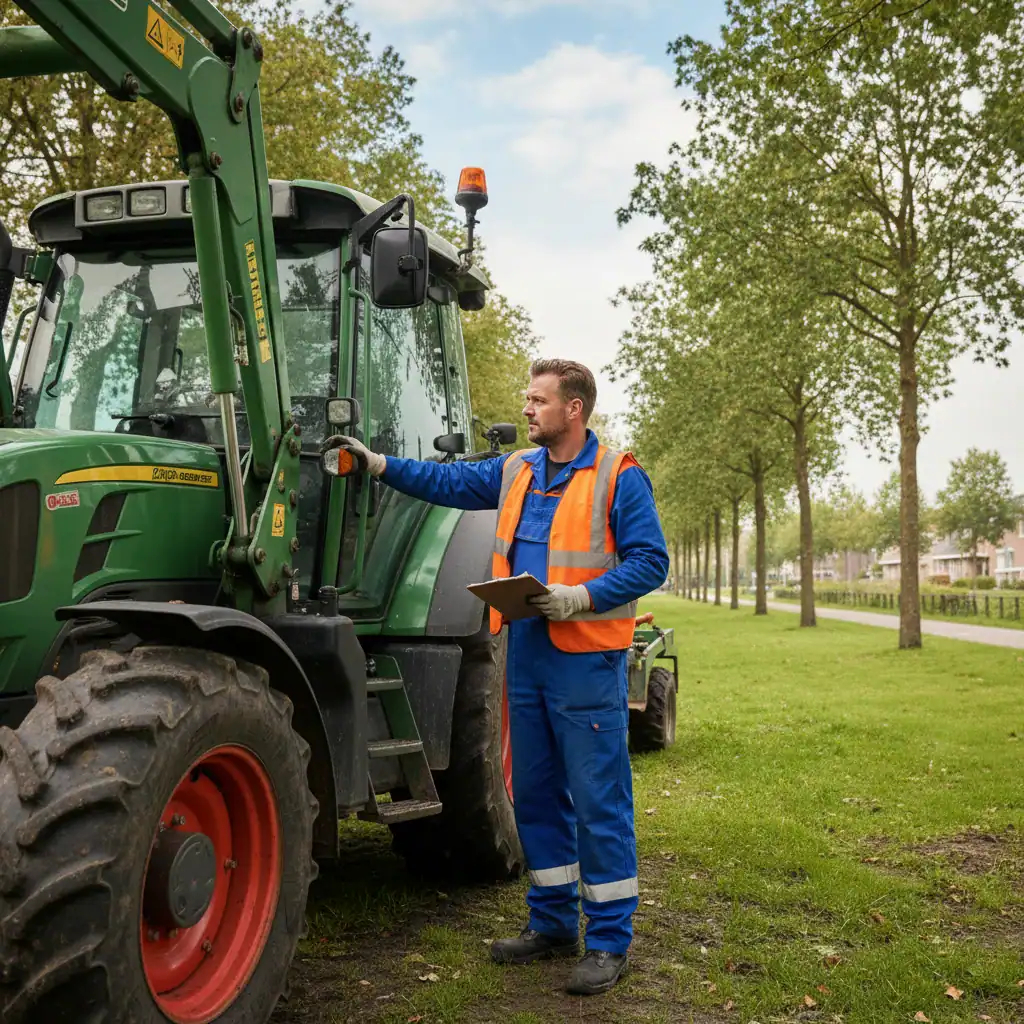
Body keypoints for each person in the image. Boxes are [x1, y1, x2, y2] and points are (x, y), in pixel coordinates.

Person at [336, 358, 669, 995]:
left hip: (586, 659)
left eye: (539, 400)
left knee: (599, 799)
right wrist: (378, 465)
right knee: (538, 794)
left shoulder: (616, 476)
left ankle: (607, 940)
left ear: (574, 409)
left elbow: (651, 561)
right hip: (527, 652)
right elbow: (449, 485)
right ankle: (551, 922)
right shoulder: (517, 468)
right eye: (528, 398)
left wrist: (583, 596)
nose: (527, 408)